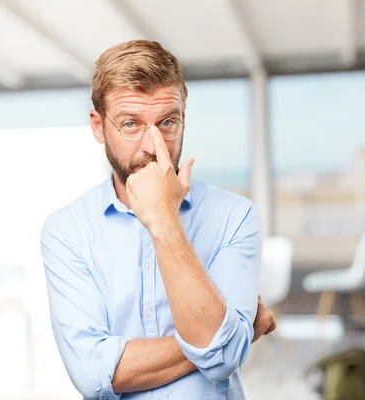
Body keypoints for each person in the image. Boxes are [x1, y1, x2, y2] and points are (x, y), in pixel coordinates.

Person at [40, 40, 276, 400]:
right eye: (131, 124)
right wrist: (227, 337)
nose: (153, 146)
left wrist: (164, 219)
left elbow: (223, 361)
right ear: (99, 127)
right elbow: (92, 373)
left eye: (167, 122)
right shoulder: (66, 231)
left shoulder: (235, 216)